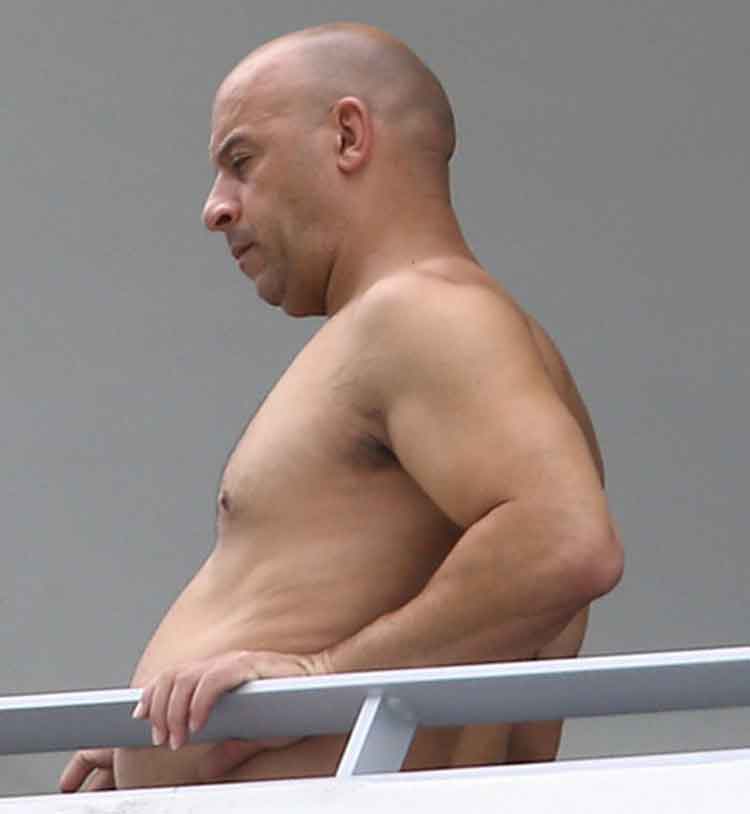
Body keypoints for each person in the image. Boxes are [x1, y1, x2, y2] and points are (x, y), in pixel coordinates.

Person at [59, 21, 623, 792]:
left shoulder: (426, 315)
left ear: (349, 136)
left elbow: (564, 542)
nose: (215, 208)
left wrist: (320, 678)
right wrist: (143, 743)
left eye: (242, 162)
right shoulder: (442, 331)